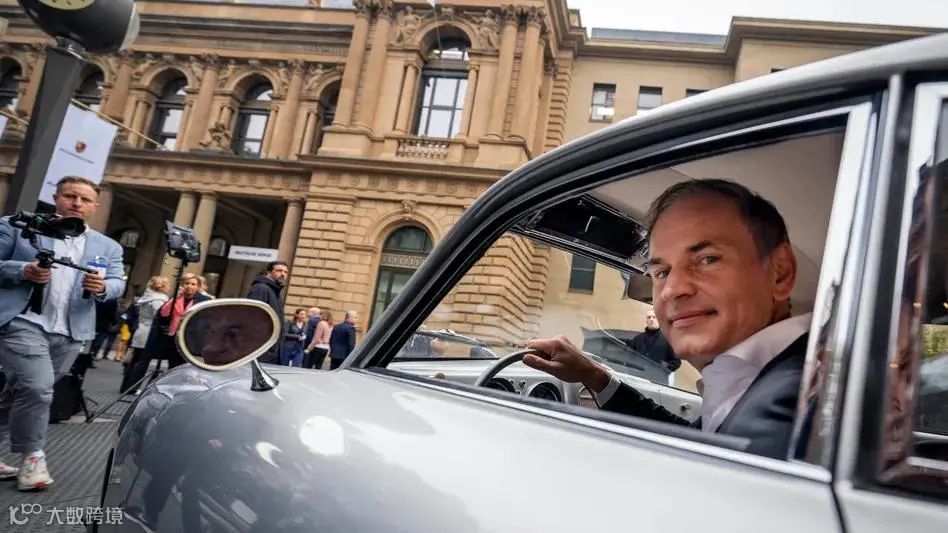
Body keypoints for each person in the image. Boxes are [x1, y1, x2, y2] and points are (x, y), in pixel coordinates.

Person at [524, 179, 807, 459]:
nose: (671, 290)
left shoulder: (790, 408)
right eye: (661, 273)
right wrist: (594, 376)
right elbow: (690, 442)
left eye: (708, 259)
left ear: (780, 273)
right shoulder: (760, 380)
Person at [0, 176, 125, 490]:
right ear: (56, 198)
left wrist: (104, 287)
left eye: (85, 199)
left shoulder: (108, 246)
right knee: (38, 390)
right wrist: (22, 270)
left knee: (21, 392)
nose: (77, 203)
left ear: (95, 206)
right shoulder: (18, 227)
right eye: (70, 196)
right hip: (23, 321)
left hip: (71, 330)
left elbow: (117, 282)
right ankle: (33, 459)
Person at [125, 273, 210, 393]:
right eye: (187, 283)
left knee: (181, 367)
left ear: (198, 286)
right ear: (182, 285)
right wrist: (173, 300)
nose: (189, 286)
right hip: (170, 336)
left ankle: (175, 391)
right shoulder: (176, 297)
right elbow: (163, 314)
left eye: (193, 284)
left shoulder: (204, 300)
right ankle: (142, 388)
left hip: (188, 338)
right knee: (168, 363)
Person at [120, 276, 170, 393]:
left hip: (140, 329)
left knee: (135, 360)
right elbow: (159, 317)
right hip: (149, 331)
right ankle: (133, 387)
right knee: (142, 361)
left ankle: (126, 386)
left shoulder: (146, 297)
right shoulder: (159, 300)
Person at [246, 261, 288, 364]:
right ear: (269, 272)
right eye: (279, 271)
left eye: (285, 272)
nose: (283, 274)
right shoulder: (261, 289)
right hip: (262, 352)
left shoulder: (275, 291)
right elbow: (252, 320)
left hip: (271, 350)